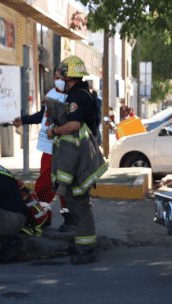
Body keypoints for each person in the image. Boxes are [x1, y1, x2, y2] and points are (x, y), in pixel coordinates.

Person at [47, 56, 105, 265]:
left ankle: (87, 248)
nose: (58, 78)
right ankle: (82, 242)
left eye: (60, 74)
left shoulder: (77, 97)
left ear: (69, 76)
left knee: (81, 203)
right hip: (80, 155)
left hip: (80, 157)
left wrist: (54, 131)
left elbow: (74, 125)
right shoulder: (82, 93)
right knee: (74, 201)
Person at [12, 66, 70, 231]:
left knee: (59, 184)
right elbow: (41, 116)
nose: (58, 79)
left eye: (62, 76)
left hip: (61, 147)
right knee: (45, 185)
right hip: (48, 146)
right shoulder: (51, 94)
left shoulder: (71, 96)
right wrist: (24, 120)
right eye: (56, 75)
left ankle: (67, 218)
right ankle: (45, 216)